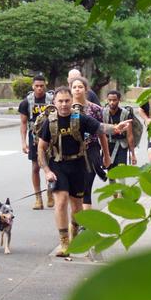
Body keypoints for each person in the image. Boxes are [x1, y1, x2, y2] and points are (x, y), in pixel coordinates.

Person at [38, 86, 128, 256]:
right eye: (60, 101)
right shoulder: (49, 122)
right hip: (58, 165)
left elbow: (100, 128)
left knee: (77, 206)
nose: (64, 104)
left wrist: (116, 128)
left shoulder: (80, 118)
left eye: (67, 100)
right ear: (54, 103)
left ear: (72, 100)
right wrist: (47, 171)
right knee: (61, 201)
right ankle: (64, 242)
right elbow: (41, 149)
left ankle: (74, 233)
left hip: (79, 164)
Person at [17, 74, 53, 210]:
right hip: (34, 138)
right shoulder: (26, 102)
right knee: (35, 168)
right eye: (36, 86)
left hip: (51, 137)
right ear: (33, 86)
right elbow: (23, 123)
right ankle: (38, 198)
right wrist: (23, 143)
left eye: (41, 86)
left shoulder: (52, 100)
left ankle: (50, 192)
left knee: (51, 166)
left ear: (45, 86)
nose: (39, 88)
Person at [69, 76, 105, 210]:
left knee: (87, 184)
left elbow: (101, 133)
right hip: (71, 151)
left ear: (86, 89)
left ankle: (85, 221)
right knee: (75, 187)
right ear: (70, 90)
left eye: (80, 87)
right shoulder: (65, 108)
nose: (77, 90)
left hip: (92, 149)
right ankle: (77, 219)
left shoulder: (95, 109)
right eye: (74, 87)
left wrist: (106, 155)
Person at [103, 90, 137, 175]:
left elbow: (129, 136)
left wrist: (132, 154)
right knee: (110, 173)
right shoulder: (103, 113)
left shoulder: (126, 114)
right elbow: (101, 132)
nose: (112, 102)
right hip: (108, 145)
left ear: (119, 100)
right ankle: (113, 188)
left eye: (114, 100)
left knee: (121, 172)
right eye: (109, 100)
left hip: (122, 146)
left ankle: (122, 188)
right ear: (107, 100)